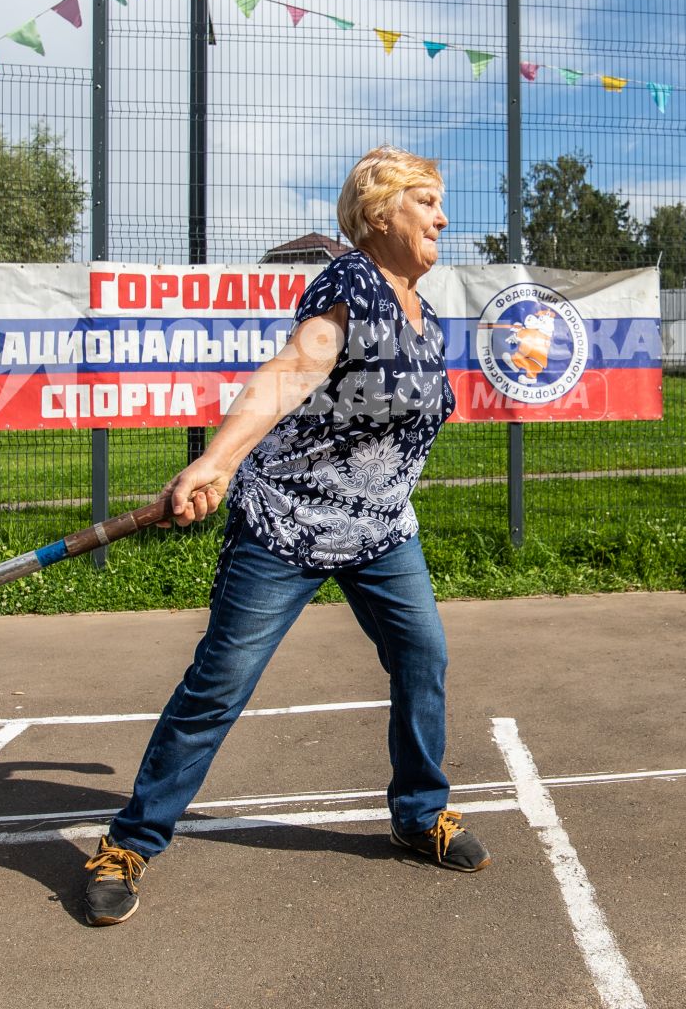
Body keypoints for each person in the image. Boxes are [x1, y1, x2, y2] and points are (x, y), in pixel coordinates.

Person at [82, 145, 488, 927]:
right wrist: (217, 461)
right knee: (220, 683)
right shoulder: (351, 282)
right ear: (379, 214)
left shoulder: (426, 317)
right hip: (289, 522)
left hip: (381, 532)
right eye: (427, 201)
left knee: (423, 656)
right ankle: (131, 841)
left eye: (441, 203)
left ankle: (417, 812)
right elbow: (293, 370)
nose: (444, 216)